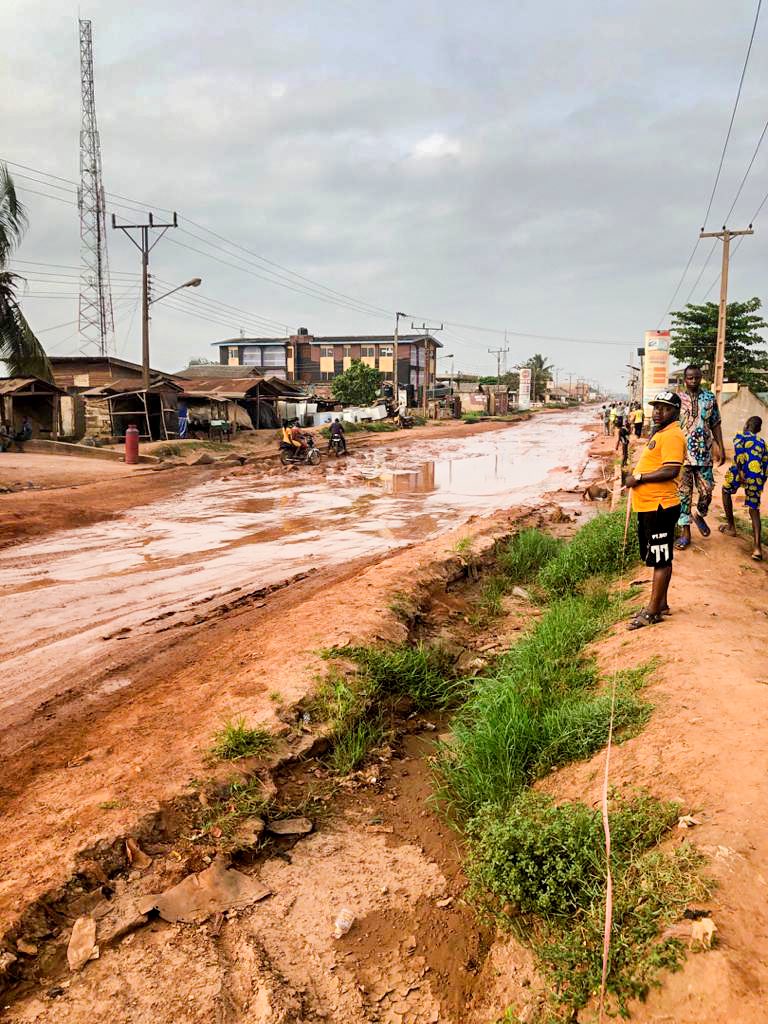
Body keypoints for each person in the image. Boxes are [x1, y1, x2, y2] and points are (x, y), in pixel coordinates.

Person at [624, 391, 686, 629]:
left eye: (665, 408)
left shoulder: (672, 435)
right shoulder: (661, 433)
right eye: (656, 407)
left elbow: (670, 470)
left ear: (675, 412)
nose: (658, 411)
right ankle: (661, 604)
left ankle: (652, 613)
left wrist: (638, 477)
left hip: (660, 506)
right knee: (657, 555)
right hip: (650, 506)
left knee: (661, 559)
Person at [675, 364, 726, 549]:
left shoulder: (709, 398)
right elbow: (669, 423)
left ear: (701, 378)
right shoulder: (678, 399)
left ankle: (700, 514)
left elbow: (716, 423)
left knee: (707, 491)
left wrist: (720, 446)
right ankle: (685, 532)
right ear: (684, 379)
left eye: (697, 378)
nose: (694, 381)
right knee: (684, 495)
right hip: (682, 456)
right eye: (690, 378)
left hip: (704, 454)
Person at [719, 415, 768, 561]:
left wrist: (740, 472)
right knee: (754, 509)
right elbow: (765, 466)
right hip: (757, 477)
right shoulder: (764, 443)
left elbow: (739, 454)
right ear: (759, 429)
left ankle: (731, 527)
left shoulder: (741, 436)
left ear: (746, 425)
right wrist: (759, 483)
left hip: (741, 472)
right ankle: (757, 548)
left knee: (725, 490)